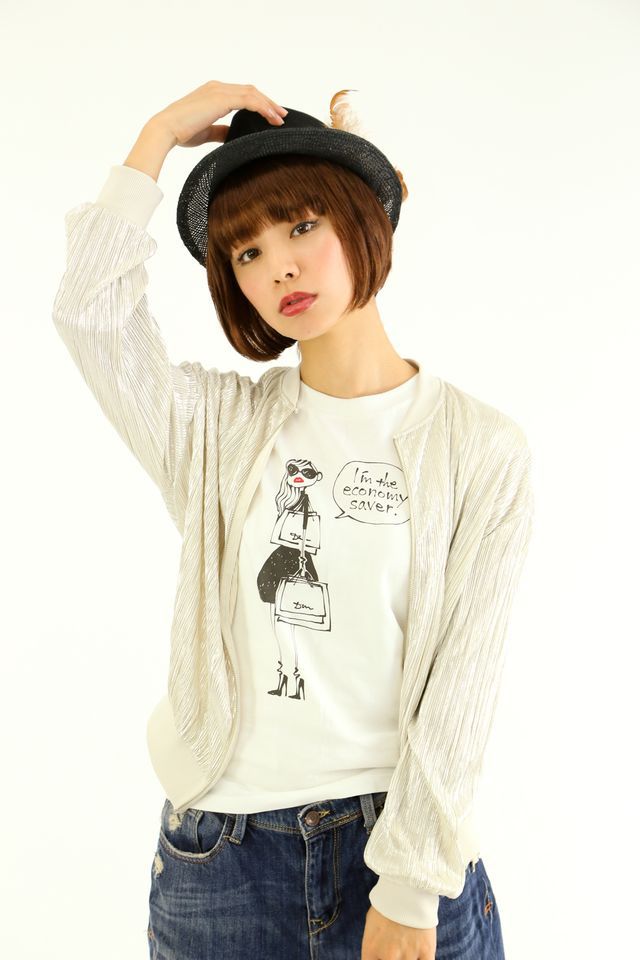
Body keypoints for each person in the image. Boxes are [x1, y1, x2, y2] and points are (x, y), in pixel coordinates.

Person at [53, 80, 534, 959]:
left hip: (398, 851)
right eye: (247, 251)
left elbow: (463, 686)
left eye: (302, 225)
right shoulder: (216, 430)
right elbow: (91, 316)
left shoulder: (479, 447)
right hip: (220, 864)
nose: (278, 267)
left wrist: (410, 888)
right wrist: (157, 136)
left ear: (365, 222)